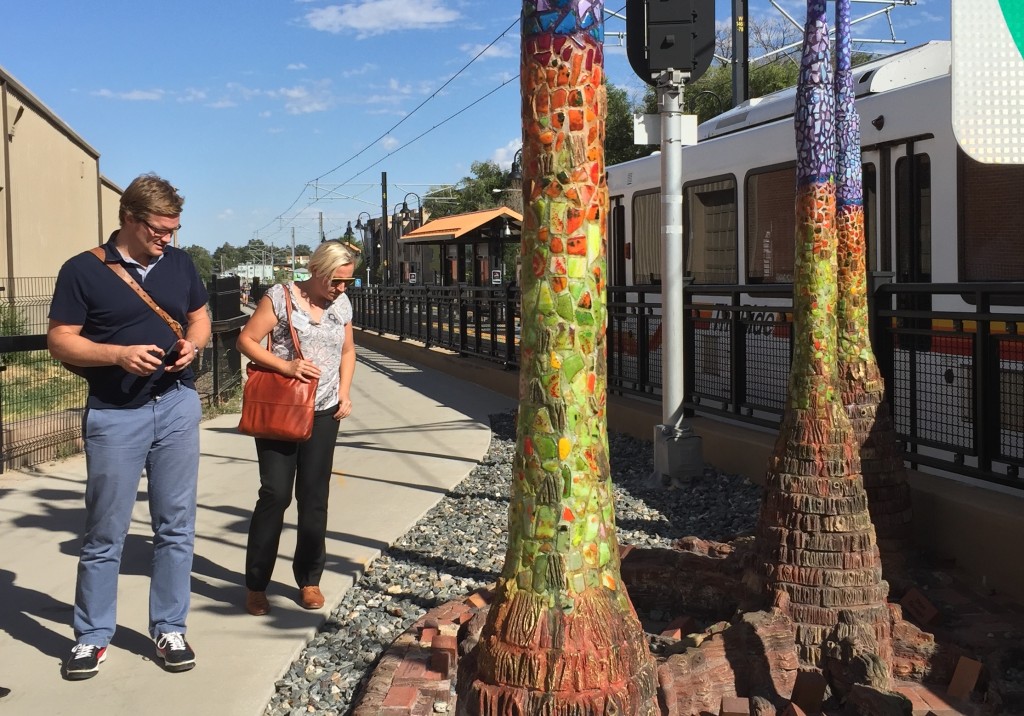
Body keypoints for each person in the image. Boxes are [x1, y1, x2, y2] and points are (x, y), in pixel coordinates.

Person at [47, 173, 211, 680]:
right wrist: (116, 354)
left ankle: (169, 627)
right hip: (115, 415)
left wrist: (195, 345)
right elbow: (60, 340)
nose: (168, 238)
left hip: (177, 406)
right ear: (129, 219)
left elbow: (200, 316)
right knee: (105, 532)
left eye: (173, 229)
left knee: (176, 527)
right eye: (159, 230)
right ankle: (92, 636)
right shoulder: (82, 271)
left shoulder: (180, 264)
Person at [237, 241, 356, 616]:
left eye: (348, 282)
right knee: (274, 494)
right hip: (283, 408)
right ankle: (257, 584)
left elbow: (348, 351)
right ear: (317, 271)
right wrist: (286, 367)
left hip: (324, 412)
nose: (341, 289)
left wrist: (345, 393)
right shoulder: (281, 296)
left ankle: (309, 579)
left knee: (314, 497)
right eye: (336, 281)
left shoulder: (341, 305)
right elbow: (246, 340)